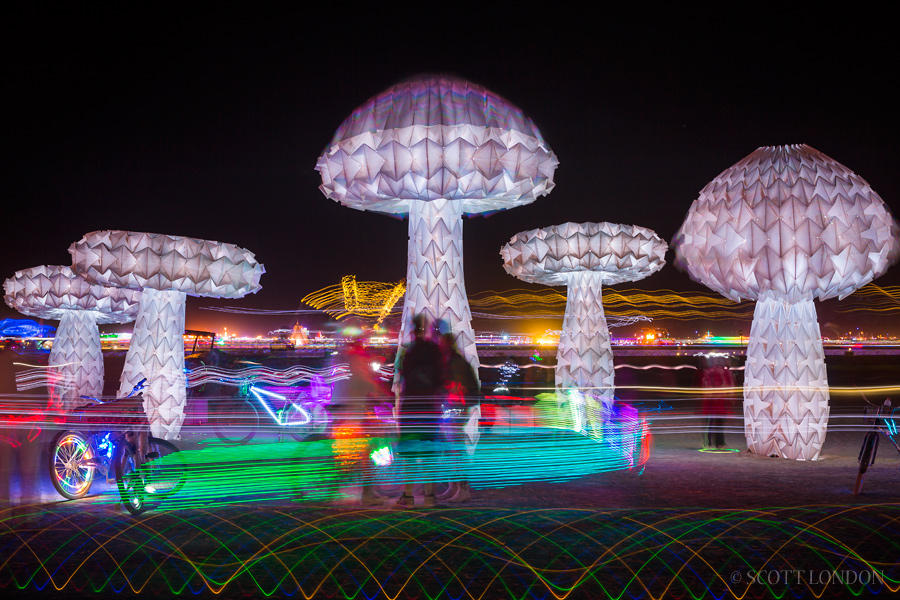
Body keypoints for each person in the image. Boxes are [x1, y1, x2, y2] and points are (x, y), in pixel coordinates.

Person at [394, 314, 445, 508]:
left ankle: (408, 496)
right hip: (430, 407)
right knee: (429, 451)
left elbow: (401, 375)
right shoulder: (435, 351)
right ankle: (430, 497)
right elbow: (442, 378)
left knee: (409, 451)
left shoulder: (409, 352)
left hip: (410, 407)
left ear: (412, 329)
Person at [331, 338, 388, 505]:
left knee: (361, 447)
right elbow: (365, 383)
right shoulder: (357, 359)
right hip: (350, 410)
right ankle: (367, 493)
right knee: (368, 448)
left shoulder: (346, 358)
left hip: (343, 406)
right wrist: (382, 394)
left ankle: (368, 489)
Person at [437, 331, 479, 502]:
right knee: (451, 448)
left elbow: (455, 386)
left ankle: (461, 488)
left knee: (455, 448)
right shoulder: (452, 361)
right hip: (454, 407)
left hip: (456, 408)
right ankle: (454, 487)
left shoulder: (454, 362)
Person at [700, 355, 735, 449]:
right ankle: (715, 442)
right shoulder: (720, 372)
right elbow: (728, 387)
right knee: (716, 422)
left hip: (716, 401)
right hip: (716, 401)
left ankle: (714, 442)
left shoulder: (719, 372)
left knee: (714, 422)